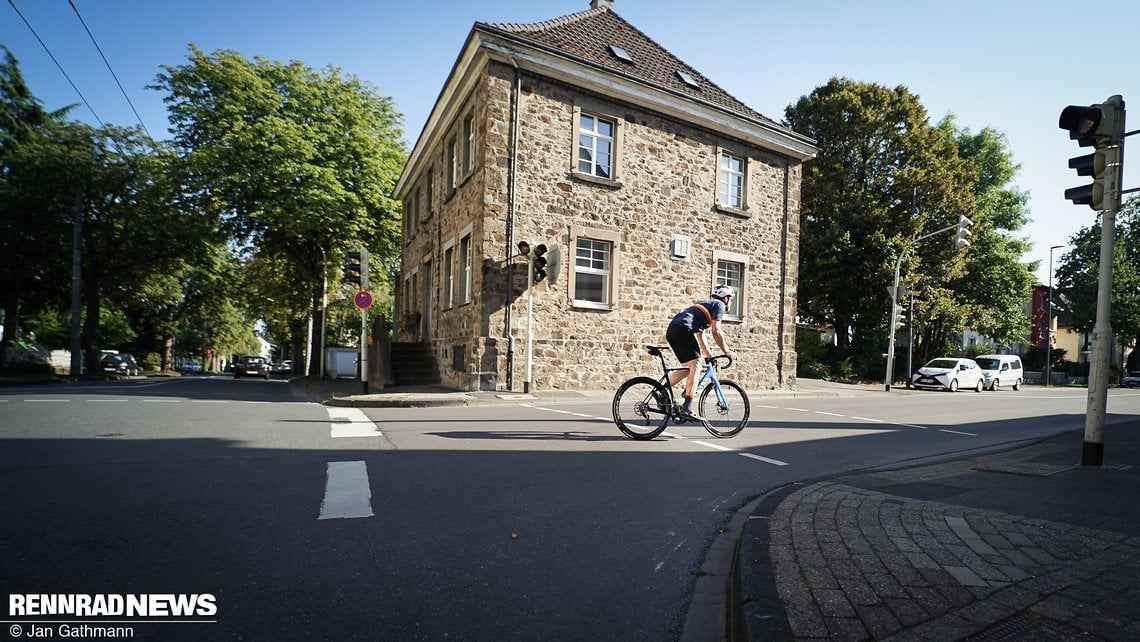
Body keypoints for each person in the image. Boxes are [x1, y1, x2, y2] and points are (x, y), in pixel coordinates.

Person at [665, 285, 737, 420]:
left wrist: (709, 355)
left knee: (689, 368)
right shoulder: (719, 305)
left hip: (673, 330)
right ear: (726, 298)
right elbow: (717, 331)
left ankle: (661, 391)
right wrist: (727, 351)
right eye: (731, 299)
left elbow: (700, 335)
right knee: (697, 365)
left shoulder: (706, 304)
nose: (730, 303)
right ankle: (687, 407)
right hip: (683, 330)